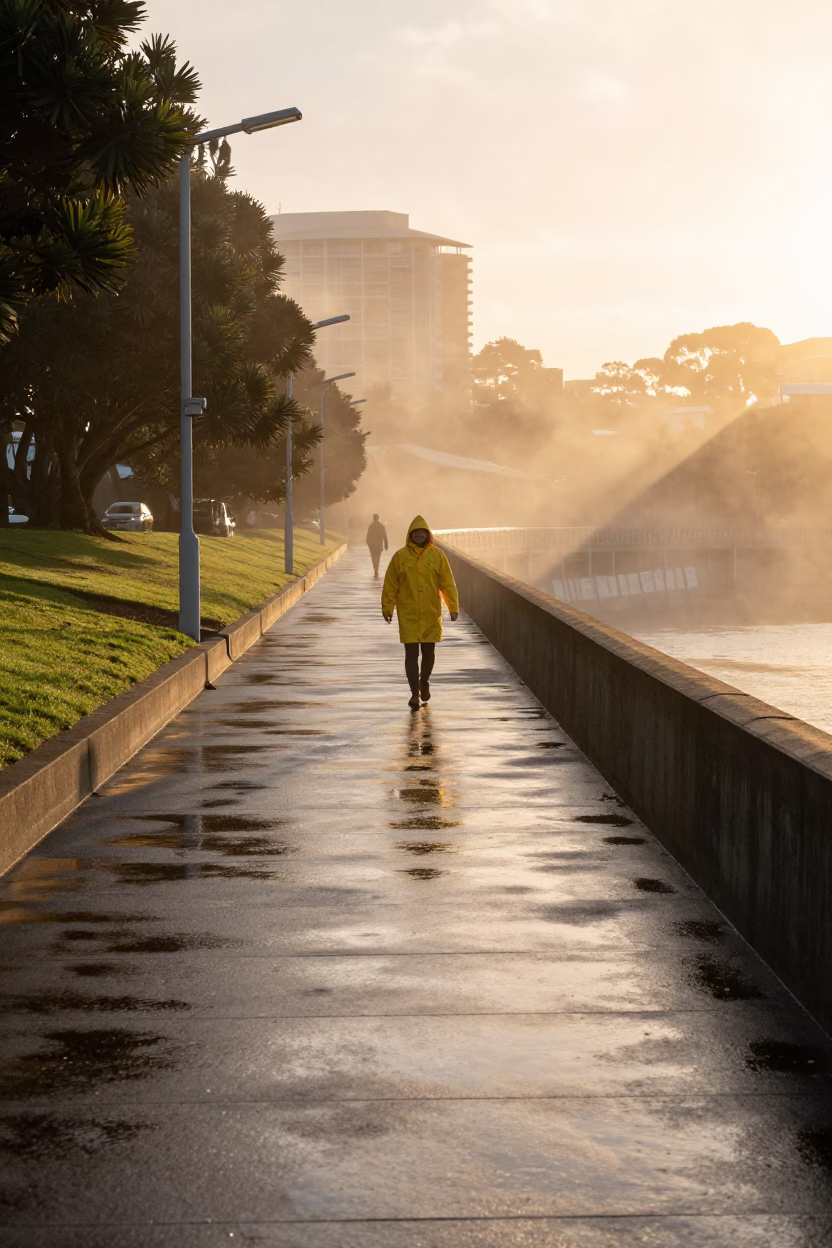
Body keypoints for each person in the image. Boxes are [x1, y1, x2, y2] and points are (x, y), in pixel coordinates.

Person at [381, 514, 459, 709]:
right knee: (411, 654)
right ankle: (414, 693)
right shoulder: (400, 557)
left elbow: (447, 583)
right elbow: (390, 584)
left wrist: (453, 607)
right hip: (408, 613)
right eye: (415, 533)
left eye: (422, 533)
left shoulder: (437, 556)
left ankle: (424, 681)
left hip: (431, 612)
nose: (418, 536)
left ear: (427, 535)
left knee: (429, 652)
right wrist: (387, 607)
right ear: (410, 535)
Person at [365, 513, 389, 578]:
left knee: (373, 557)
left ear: (373, 518)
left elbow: (368, 536)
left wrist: (368, 543)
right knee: (378, 557)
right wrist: (386, 545)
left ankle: (375, 569)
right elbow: (385, 537)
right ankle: (376, 569)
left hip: (372, 545)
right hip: (379, 545)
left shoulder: (371, 526)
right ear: (378, 518)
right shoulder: (382, 526)